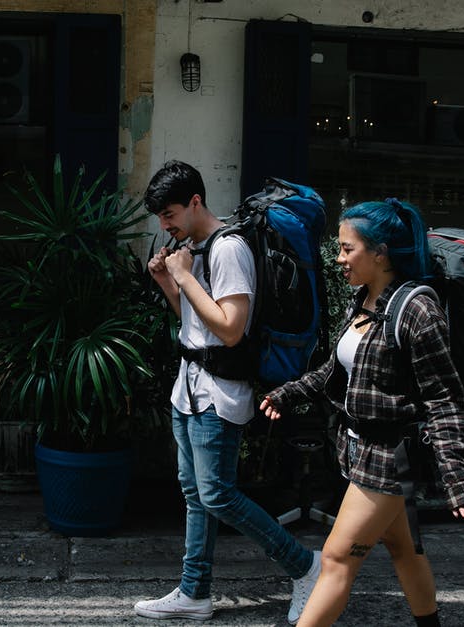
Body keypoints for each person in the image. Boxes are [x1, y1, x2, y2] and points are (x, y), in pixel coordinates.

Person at [260, 198, 464, 627]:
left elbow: (445, 398)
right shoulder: (363, 300)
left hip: (390, 458)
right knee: (405, 548)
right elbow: (337, 369)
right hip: (358, 448)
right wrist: (288, 394)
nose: (339, 258)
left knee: (336, 559)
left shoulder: (418, 310)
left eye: (348, 249)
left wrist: (456, 474)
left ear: (380, 252)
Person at [135, 160, 320, 624]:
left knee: (217, 494)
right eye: (160, 218)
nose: (166, 225)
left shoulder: (229, 248)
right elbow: (198, 322)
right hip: (188, 389)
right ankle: (194, 592)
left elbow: (231, 330)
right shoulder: (194, 249)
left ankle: (306, 566)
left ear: (196, 202)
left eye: (171, 214)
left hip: (219, 393)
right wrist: (167, 281)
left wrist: (183, 276)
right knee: (195, 494)